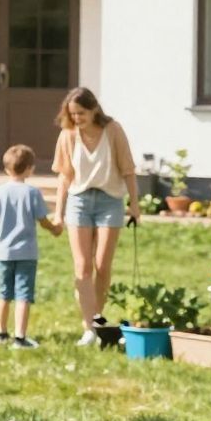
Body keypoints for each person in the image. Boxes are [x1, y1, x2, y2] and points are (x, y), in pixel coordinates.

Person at [49, 87, 139, 346]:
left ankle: (97, 318)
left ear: (94, 109)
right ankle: (89, 327)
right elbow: (64, 177)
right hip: (79, 201)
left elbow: (129, 170)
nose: (77, 118)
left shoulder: (113, 130)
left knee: (102, 265)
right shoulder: (68, 135)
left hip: (110, 201)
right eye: (73, 114)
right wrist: (58, 211)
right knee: (83, 266)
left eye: (81, 113)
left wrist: (135, 205)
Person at [0, 143, 60, 349]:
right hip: (26, 253)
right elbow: (42, 220)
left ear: (6, 169)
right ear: (30, 168)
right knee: (23, 294)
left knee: (3, 294)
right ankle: (20, 338)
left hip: (3, 253)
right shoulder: (32, 193)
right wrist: (55, 229)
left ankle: (0, 334)